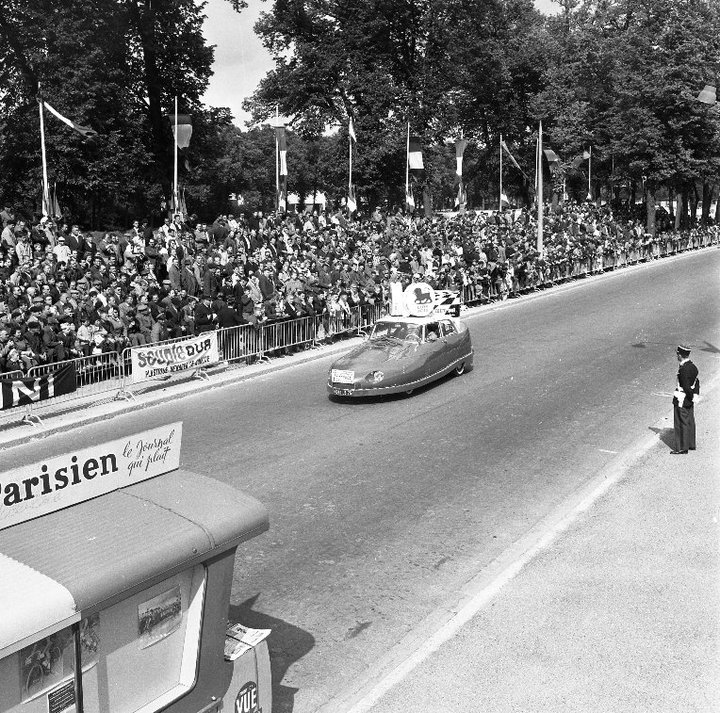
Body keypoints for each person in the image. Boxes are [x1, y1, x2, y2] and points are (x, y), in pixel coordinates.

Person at [671, 344, 699, 454]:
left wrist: (690, 396)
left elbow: (686, 386)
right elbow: (696, 382)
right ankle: (691, 444)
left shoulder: (683, 369)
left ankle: (682, 447)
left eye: (677, 354)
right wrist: (694, 396)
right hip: (690, 398)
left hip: (682, 398)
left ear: (680, 355)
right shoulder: (693, 367)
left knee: (680, 422)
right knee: (689, 421)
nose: (677, 356)